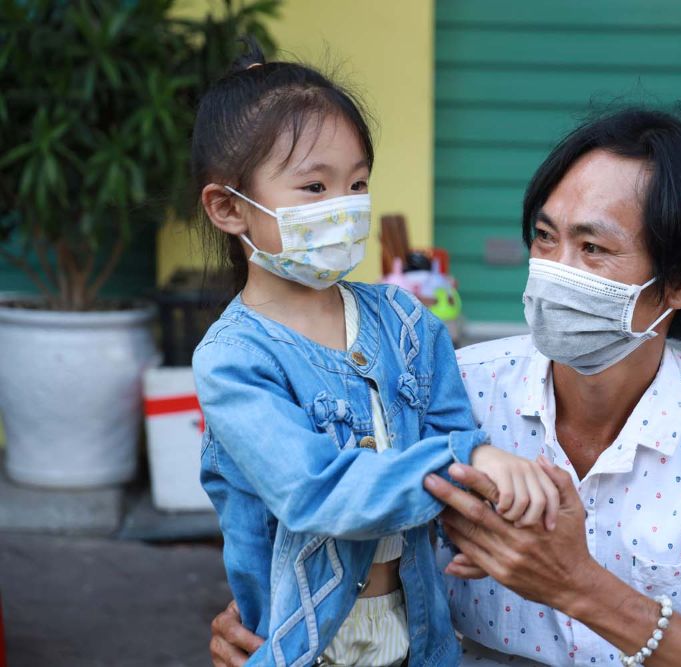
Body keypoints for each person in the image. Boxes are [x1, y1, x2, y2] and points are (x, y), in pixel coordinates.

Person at [209, 107, 681, 667]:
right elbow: (337, 512)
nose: (553, 270)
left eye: (593, 247)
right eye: (546, 237)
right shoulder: (454, 385)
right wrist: (272, 619)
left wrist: (581, 588)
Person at [191, 40, 559, 667]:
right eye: (314, 186)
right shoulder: (233, 361)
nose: (345, 206)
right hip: (304, 648)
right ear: (229, 208)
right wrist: (466, 462)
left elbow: (450, 432)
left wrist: (477, 517)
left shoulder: (406, 322)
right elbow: (316, 492)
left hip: (419, 638)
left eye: (357, 183)